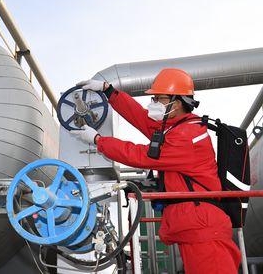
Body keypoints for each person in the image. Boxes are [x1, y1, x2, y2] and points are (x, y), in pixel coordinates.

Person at [72, 68, 241, 274]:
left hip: (203, 228)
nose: (152, 103)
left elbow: (141, 156)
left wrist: (99, 141)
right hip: (196, 224)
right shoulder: (177, 127)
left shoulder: (187, 137)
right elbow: (143, 120)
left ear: (177, 103)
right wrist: (109, 92)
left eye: (158, 98)